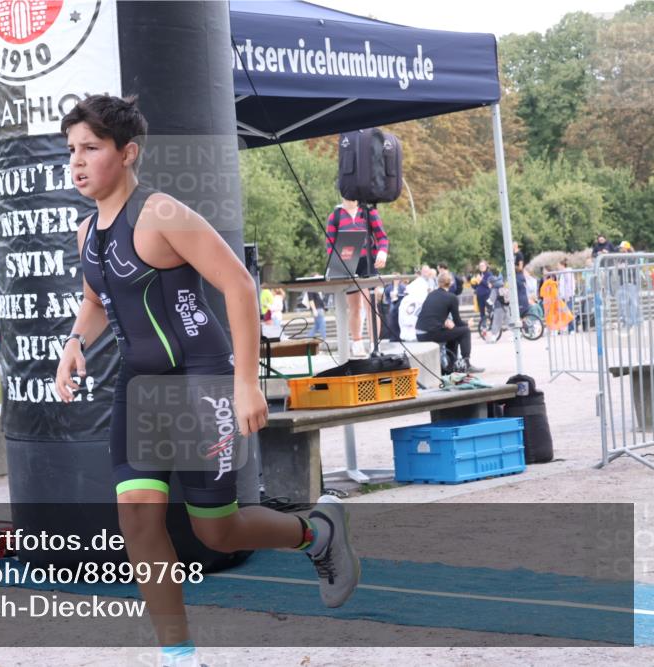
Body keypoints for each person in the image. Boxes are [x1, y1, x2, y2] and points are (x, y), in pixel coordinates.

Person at [54, 95, 358, 666]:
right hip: (140, 386)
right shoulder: (85, 233)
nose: (77, 161)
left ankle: (316, 533)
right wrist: (74, 344)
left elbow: (238, 285)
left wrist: (245, 383)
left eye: (90, 148)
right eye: (71, 149)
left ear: (127, 153)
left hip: (202, 381)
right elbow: (97, 298)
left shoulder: (161, 213)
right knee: (138, 520)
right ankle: (179, 656)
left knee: (216, 532)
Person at [326, 194, 389, 357]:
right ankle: (357, 342)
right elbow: (330, 245)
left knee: (371, 304)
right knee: (355, 306)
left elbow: (382, 237)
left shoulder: (369, 213)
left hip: (368, 260)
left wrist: (382, 252)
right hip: (348, 262)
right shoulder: (335, 216)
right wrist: (336, 263)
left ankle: (375, 344)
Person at [415, 273, 485, 373]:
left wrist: (444, 323)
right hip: (430, 333)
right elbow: (458, 322)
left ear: (438, 282)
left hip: (420, 333)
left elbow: (430, 315)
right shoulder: (451, 297)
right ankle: (467, 364)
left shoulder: (431, 294)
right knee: (465, 331)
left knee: (453, 331)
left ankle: (451, 365)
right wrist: (467, 324)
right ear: (451, 283)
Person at [556, 260, 576, 333]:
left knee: (568, 312)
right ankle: (567, 328)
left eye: (558, 265)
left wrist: (567, 295)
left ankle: (572, 329)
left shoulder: (566, 272)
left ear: (562, 265)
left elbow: (568, 285)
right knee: (565, 312)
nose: (557, 267)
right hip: (563, 296)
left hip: (568, 296)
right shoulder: (562, 273)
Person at [472, 260, 494, 324]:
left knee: (490, 310)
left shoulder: (489, 274)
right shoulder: (479, 274)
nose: (481, 267)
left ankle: (492, 325)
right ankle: (483, 326)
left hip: (487, 295)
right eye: (480, 266)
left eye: (483, 265)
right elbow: (477, 286)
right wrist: (474, 284)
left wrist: (481, 280)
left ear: (486, 266)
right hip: (479, 295)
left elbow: (489, 285)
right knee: (482, 312)